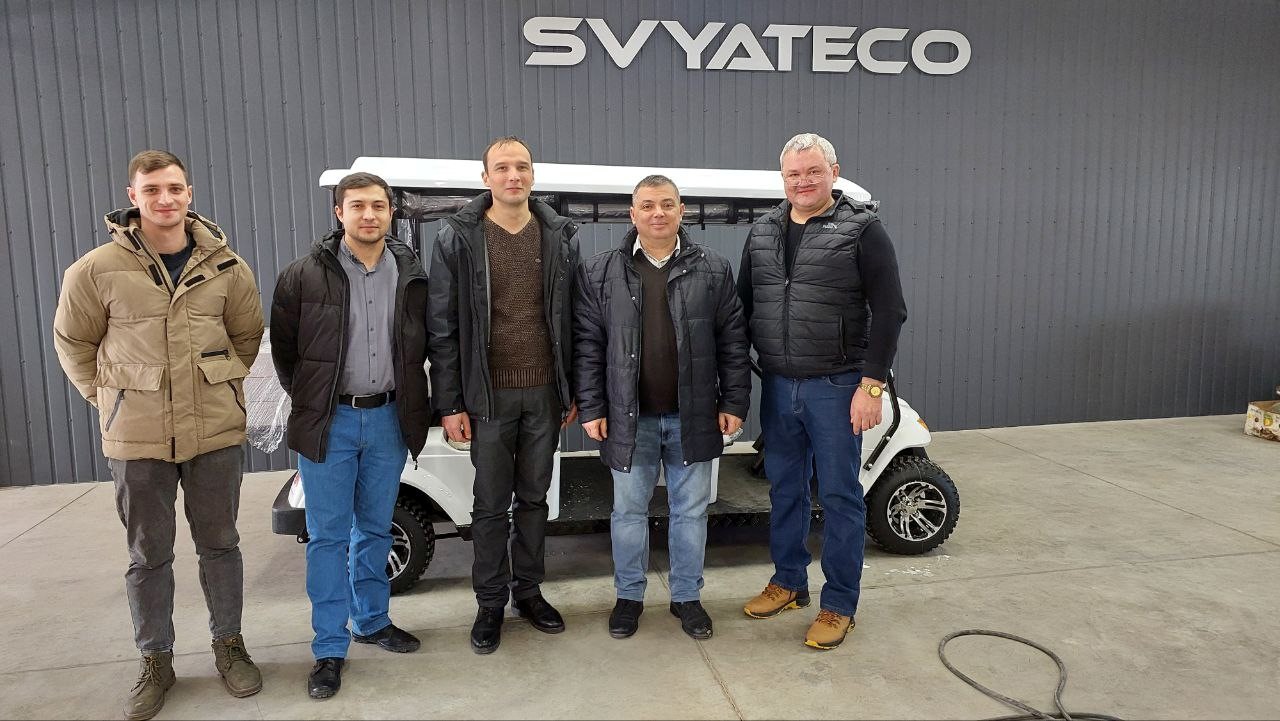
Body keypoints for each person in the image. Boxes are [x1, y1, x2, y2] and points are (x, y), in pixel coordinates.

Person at [53, 149, 266, 720]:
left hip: (214, 432)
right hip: (138, 437)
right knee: (148, 554)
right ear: (133, 198)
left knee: (220, 545)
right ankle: (155, 659)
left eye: (174, 188)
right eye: (152, 190)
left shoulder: (228, 267)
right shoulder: (94, 270)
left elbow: (247, 338)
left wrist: (218, 387)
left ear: (189, 193)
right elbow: (73, 342)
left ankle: (229, 646)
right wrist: (110, 398)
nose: (164, 199)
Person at [738, 132, 908, 650]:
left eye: (813, 171)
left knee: (838, 494)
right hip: (778, 383)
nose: (803, 181)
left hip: (838, 386)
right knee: (784, 489)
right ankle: (789, 581)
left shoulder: (862, 229)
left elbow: (890, 310)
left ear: (833, 172)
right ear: (782, 178)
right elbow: (743, 306)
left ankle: (839, 604)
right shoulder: (763, 231)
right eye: (793, 174)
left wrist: (871, 385)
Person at [270, 172, 431, 699]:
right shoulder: (303, 276)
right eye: (357, 205)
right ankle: (328, 647)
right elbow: (287, 354)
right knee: (328, 536)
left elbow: (425, 344)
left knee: (376, 528)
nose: (368, 215)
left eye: (378, 206)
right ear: (339, 212)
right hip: (330, 422)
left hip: (388, 420)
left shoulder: (411, 274)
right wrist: (317, 401)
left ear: (391, 213)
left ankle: (373, 620)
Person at [574, 175, 750, 641]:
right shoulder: (600, 271)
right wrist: (592, 407)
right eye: (648, 205)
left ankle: (686, 598)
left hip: (694, 415)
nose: (658, 213)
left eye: (667, 204)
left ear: (681, 210)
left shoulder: (713, 269)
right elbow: (588, 345)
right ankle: (629, 597)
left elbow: (733, 341)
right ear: (632, 214)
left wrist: (734, 400)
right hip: (628, 418)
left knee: (690, 512)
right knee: (628, 513)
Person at [427, 136, 579, 654]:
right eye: (503, 168)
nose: (513, 176)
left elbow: (574, 318)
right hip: (487, 398)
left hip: (544, 395)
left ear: (533, 174)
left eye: (522, 167)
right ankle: (490, 602)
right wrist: (450, 403)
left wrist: (571, 388)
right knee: (490, 504)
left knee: (535, 499)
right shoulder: (458, 238)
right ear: (485, 177)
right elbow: (442, 327)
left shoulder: (558, 235)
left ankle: (528, 592)